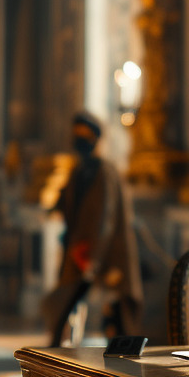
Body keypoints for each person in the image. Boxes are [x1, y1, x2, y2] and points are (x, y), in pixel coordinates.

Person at [45, 111, 143, 347]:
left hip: (104, 253)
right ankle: (57, 354)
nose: (79, 141)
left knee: (117, 315)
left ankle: (124, 367)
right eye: (76, 135)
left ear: (96, 139)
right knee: (64, 304)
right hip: (79, 249)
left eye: (85, 135)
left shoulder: (105, 171)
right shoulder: (79, 170)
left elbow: (105, 220)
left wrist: (95, 259)